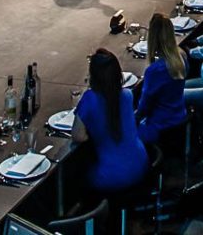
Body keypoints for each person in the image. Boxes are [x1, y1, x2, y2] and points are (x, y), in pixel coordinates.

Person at [72, 48, 150, 198]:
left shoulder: (89, 99)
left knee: (77, 174)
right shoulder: (127, 95)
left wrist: (94, 132)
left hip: (112, 176)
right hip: (141, 163)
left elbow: (78, 136)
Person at [136, 13, 187, 146]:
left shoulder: (155, 71)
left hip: (160, 127)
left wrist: (132, 119)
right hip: (180, 117)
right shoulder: (182, 57)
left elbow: (144, 107)